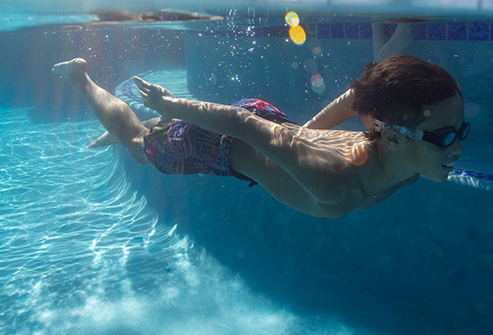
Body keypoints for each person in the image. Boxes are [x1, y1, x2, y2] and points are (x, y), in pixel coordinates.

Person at [53, 55, 468, 219]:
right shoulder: (334, 181)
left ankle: (155, 123)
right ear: (392, 139)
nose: (460, 148)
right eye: (447, 137)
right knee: (137, 145)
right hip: (219, 142)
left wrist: (302, 135)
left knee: (152, 132)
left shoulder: (407, 165)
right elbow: (239, 124)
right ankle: (81, 78)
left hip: (272, 124)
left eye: (460, 131)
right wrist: (172, 106)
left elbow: (363, 92)